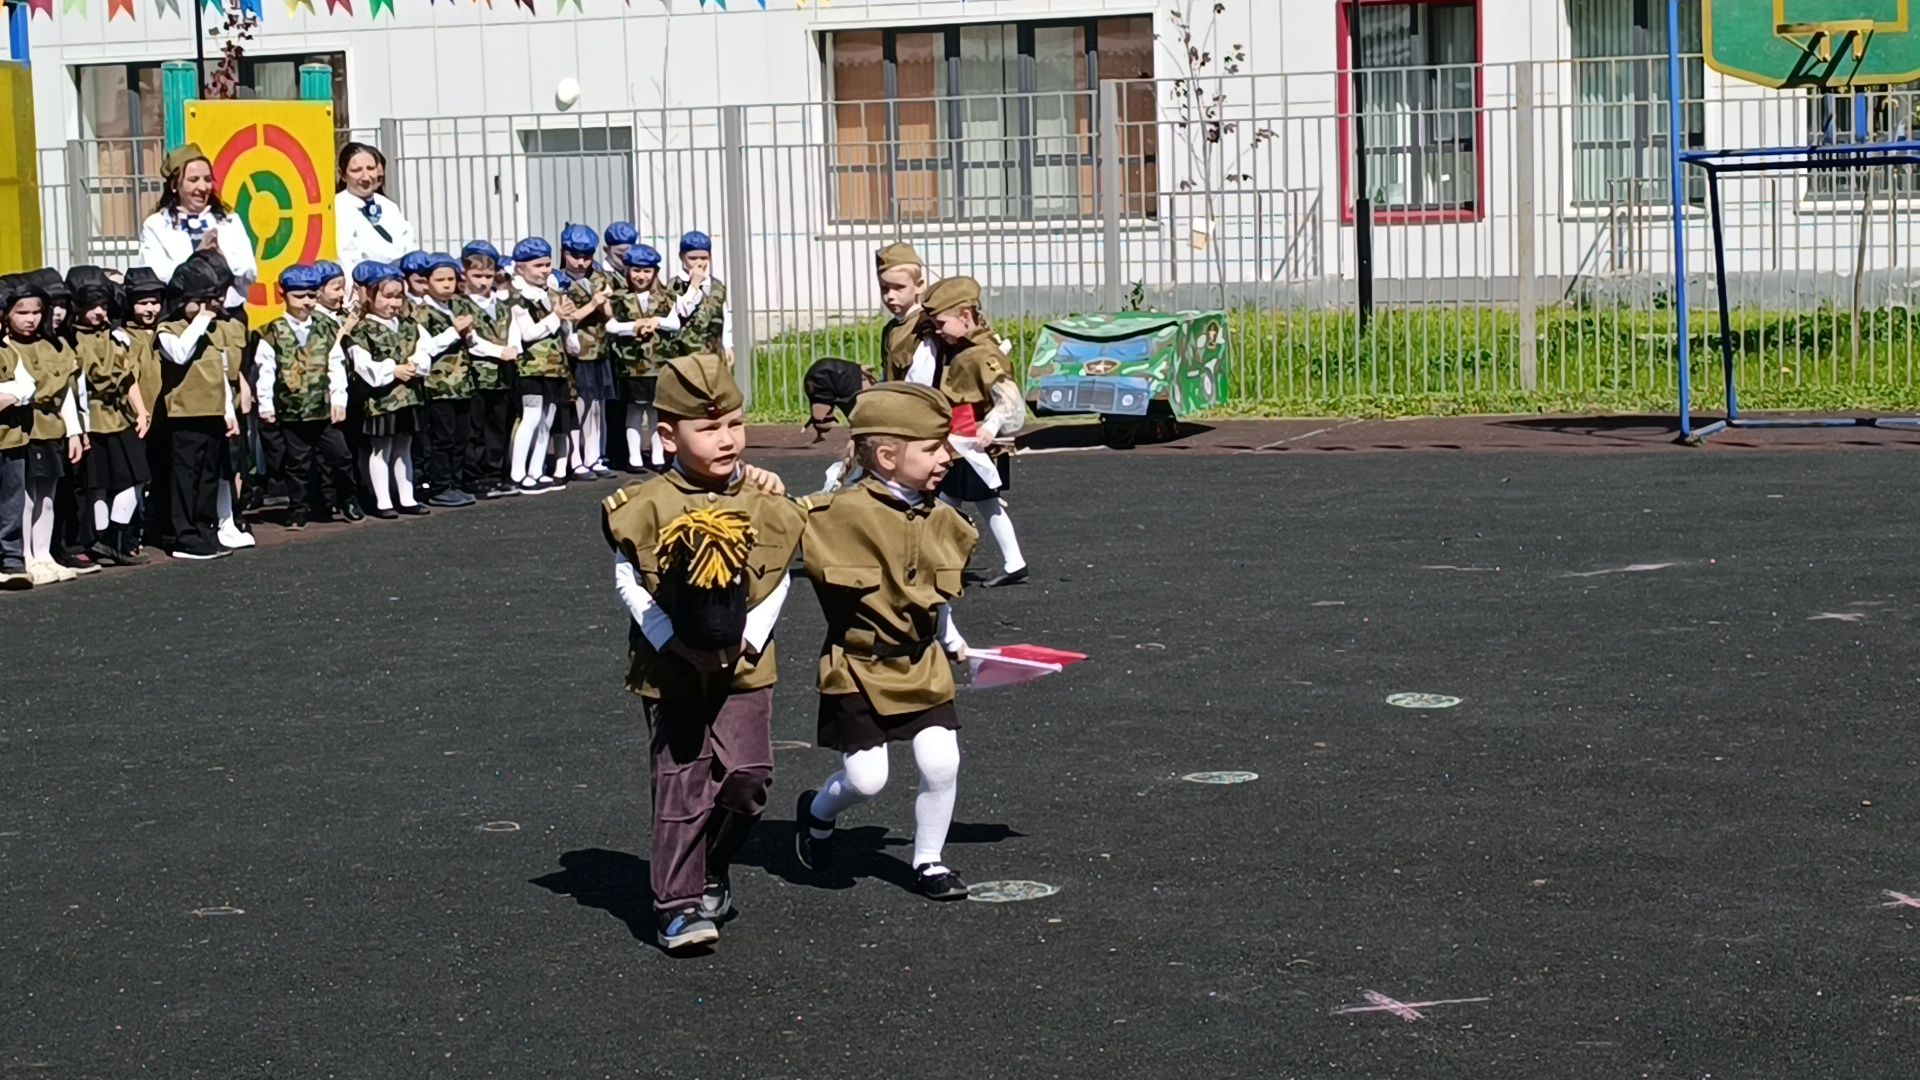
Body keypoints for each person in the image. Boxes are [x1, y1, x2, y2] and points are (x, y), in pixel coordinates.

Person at [602, 351, 807, 953]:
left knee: (749, 778)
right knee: (682, 782)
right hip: (671, 670)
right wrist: (674, 642)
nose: (728, 439)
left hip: (746, 665)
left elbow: (778, 575)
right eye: (709, 428)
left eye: (735, 424)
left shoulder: (767, 498)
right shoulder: (644, 505)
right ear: (668, 436)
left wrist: (747, 639)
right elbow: (629, 582)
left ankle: (711, 865)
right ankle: (676, 905)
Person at [793, 382, 975, 902]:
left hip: (921, 662)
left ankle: (929, 862)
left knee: (943, 761)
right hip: (857, 665)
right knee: (867, 780)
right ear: (889, 456)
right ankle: (817, 812)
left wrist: (953, 636)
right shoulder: (832, 515)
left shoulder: (944, 519)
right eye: (934, 447)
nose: (947, 457)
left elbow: (934, 592)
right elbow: (770, 547)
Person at [917, 276, 1028, 588]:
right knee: (952, 499)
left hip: (974, 445)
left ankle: (1006, 561)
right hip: (959, 442)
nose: (938, 331)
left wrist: (991, 425)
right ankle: (946, 561)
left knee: (974, 501)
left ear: (965, 317)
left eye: (941, 323)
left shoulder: (983, 354)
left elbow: (1010, 401)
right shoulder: (958, 349)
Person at [255, 265, 357, 529]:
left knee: (341, 457)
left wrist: (339, 400)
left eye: (311, 296)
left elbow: (335, 364)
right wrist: (266, 404)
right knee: (297, 464)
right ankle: (299, 508)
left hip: (322, 409)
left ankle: (347, 499)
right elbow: (266, 370)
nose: (307, 302)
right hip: (292, 410)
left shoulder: (326, 327)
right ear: (283, 295)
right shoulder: (272, 331)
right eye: (299, 296)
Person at [154, 252, 241, 561]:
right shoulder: (170, 329)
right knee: (185, 477)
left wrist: (229, 411)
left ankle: (205, 530)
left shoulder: (216, 331)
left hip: (214, 412)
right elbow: (179, 354)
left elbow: (222, 372)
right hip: (184, 415)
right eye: (201, 301)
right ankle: (183, 536)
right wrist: (201, 319)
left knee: (207, 475)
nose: (209, 308)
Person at [4, 279, 80, 584]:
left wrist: (74, 432)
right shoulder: (7, 346)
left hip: (52, 429)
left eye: (37, 311)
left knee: (48, 497)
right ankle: (26, 556)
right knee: (27, 497)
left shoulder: (54, 345)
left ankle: (44, 553)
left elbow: (65, 395)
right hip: (25, 429)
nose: (30, 318)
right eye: (22, 312)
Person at [71, 276, 152, 566]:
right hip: (92, 417)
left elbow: (129, 377)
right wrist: (79, 428)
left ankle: (114, 536)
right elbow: (80, 385)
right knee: (98, 483)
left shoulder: (116, 336)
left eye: (103, 305)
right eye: (92, 306)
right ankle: (100, 539)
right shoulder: (74, 340)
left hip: (119, 416)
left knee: (136, 476)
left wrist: (141, 411)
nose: (99, 312)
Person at [339, 261, 430, 520]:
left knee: (405, 446)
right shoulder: (362, 329)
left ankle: (407, 497)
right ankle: (382, 500)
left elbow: (424, 350)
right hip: (382, 400)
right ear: (369, 295)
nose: (394, 303)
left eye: (398, 296)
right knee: (382, 449)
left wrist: (417, 365)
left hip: (409, 397)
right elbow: (363, 365)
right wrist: (393, 369)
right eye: (387, 296)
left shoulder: (409, 325)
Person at [138, 144, 258, 314]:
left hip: (228, 316)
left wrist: (222, 257)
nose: (203, 187)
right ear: (174, 185)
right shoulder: (156, 226)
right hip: (179, 316)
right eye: (194, 180)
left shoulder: (229, 221)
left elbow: (249, 270)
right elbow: (158, 274)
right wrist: (199, 258)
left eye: (207, 179)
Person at [503, 237, 572, 495]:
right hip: (531, 366)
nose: (544, 270)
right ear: (520, 268)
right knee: (531, 417)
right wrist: (556, 317)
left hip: (555, 366)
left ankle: (537, 470)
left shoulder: (552, 293)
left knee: (548, 418)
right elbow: (528, 333)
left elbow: (565, 327)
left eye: (547, 264)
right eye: (537, 265)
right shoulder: (518, 296)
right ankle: (517, 472)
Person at [411, 252, 479, 508]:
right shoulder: (422, 313)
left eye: (451, 279)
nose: (447, 285)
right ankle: (440, 485)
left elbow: (469, 342)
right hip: (439, 386)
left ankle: (456, 482)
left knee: (462, 437)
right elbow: (427, 347)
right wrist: (455, 331)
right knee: (442, 439)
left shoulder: (457, 307)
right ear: (427, 281)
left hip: (461, 384)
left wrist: (468, 335)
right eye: (440, 280)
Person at [605, 244, 676, 473]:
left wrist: (657, 321)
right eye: (636, 270)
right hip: (631, 365)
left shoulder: (665, 297)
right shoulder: (619, 297)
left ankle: (657, 456)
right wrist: (633, 326)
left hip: (658, 364)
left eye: (647, 271)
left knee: (655, 412)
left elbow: (675, 323)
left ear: (655, 272)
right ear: (628, 271)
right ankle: (634, 457)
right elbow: (611, 326)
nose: (641, 276)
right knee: (634, 412)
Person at [454, 241, 516, 499]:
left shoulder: (502, 305)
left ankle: (495, 473)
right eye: (477, 276)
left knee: (498, 426)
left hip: (502, 375)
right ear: (465, 275)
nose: (483, 281)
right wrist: (499, 352)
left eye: (488, 276)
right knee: (475, 428)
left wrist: (513, 347)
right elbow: (472, 341)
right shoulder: (461, 305)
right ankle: (474, 476)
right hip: (476, 376)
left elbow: (513, 329)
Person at [560, 224, 616, 481]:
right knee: (579, 408)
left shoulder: (600, 278)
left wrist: (605, 305)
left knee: (597, 407)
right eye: (575, 256)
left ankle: (595, 456)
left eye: (586, 257)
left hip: (598, 350)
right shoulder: (558, 281)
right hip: (575, 353)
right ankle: (576, 458)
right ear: (564, 253)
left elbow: (609, 317)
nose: (581, 262)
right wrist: (594, 303)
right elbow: (567, 320)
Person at [335, 142, 416, 283]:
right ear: (342, 175)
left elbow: (409, 244)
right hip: (365, 287)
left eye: (371, 168)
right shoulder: (338, 207)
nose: (366, 177)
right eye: (356, 170)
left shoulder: (389, 206)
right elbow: (346, 257)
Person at [0, 281, 36, 590]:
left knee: (11, 500)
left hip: (11, 438)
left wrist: (10, 393)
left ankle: (11, 559)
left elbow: (27, 386)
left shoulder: (8, 351)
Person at [657, 231, 731, 365]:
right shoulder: (673, 285)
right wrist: (694, 285)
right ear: (682, 257)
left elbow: (725, 315)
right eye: (692, 258)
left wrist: (727, 345)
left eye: (704, 258)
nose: (699, 263)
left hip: (713, 354)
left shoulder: (717, 286)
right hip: (684, 355)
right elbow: (681, 311)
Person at [874, 243, 933, 383]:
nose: (890, 296)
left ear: (919, 286)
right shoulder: (892, 328)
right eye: (885, 288)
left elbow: (923, 379)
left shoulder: (924, 327)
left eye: (899, 287)